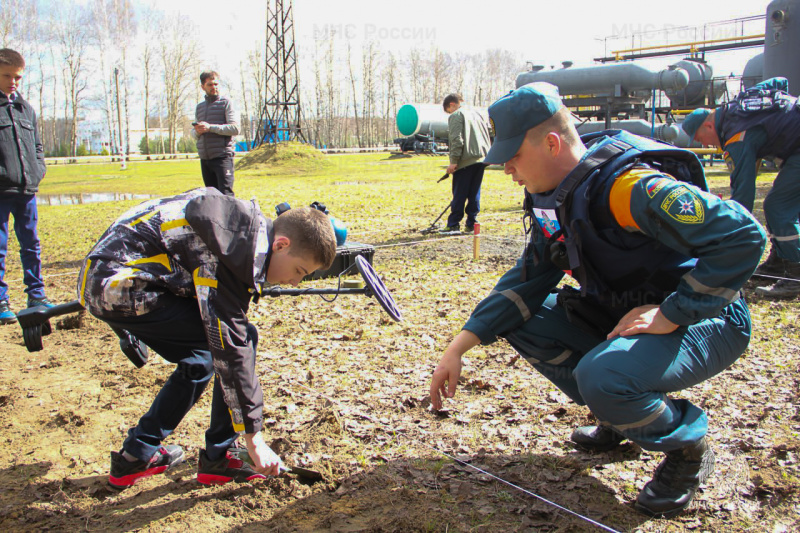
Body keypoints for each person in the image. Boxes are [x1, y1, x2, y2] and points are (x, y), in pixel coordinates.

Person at [429, 83, 766, 519]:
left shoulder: (627, 188)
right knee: (524, 319)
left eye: (513, 156)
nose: (508, 169)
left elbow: (742, 236)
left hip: (709, 317)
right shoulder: (553, 195)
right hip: (627, 317)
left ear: (551, 143)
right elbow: (530, 276)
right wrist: (459, 346)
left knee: (602, 375)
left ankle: (688, 451)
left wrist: (671, 312)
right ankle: (619, 416)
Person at [77, 188, 336, 488]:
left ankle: (136, 455)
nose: (294, 282)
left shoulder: (236, 230)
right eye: (299, 271)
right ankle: (219, 456)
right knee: (232, 342)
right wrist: (255, 440)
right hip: (117, 285)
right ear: (281, 244)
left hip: (109, 277)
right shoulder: (225, 253)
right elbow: (231, 348)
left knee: (200, 359)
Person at [681, 77, 800, 298]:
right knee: (782, 205)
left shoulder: (735, 135)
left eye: (701, 139)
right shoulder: (740, 105)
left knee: (778, 207)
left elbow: (743, 195)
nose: (706, 145)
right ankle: (779, 262)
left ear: (709, 125)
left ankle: (795, 276)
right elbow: (780, 81)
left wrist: (730, 238)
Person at [0, 48, 53, 325]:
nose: (13, 82)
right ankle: (0, 301)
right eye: (7, 75)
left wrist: (38, 169)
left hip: (27, 191)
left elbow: (37, 147)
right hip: (1, 192)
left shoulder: (25, 109)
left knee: (31, 245)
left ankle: (37, 294)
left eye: (18, 77)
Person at [440, 93, 491, 233]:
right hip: (481, 159)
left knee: (459, 193)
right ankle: (472, 223)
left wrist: (453, 161)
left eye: (448, 111)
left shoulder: (456, 115)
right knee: (474, 192)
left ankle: (453, 224)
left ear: (451, 105)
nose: (449, 114)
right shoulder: (477, 114)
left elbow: (457, 139)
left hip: (465, 160)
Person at [191, 71, 239, 196]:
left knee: (226, 197)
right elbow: (194, 134)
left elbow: (235, 128)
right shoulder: (199, 107)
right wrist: (196, 131)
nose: (214, 87)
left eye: (216, 84)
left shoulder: (226, 103)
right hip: (205, 159)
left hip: (222, 158)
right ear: (203, 87)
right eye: (210, 85)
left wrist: (210, 128)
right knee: (211, 198)